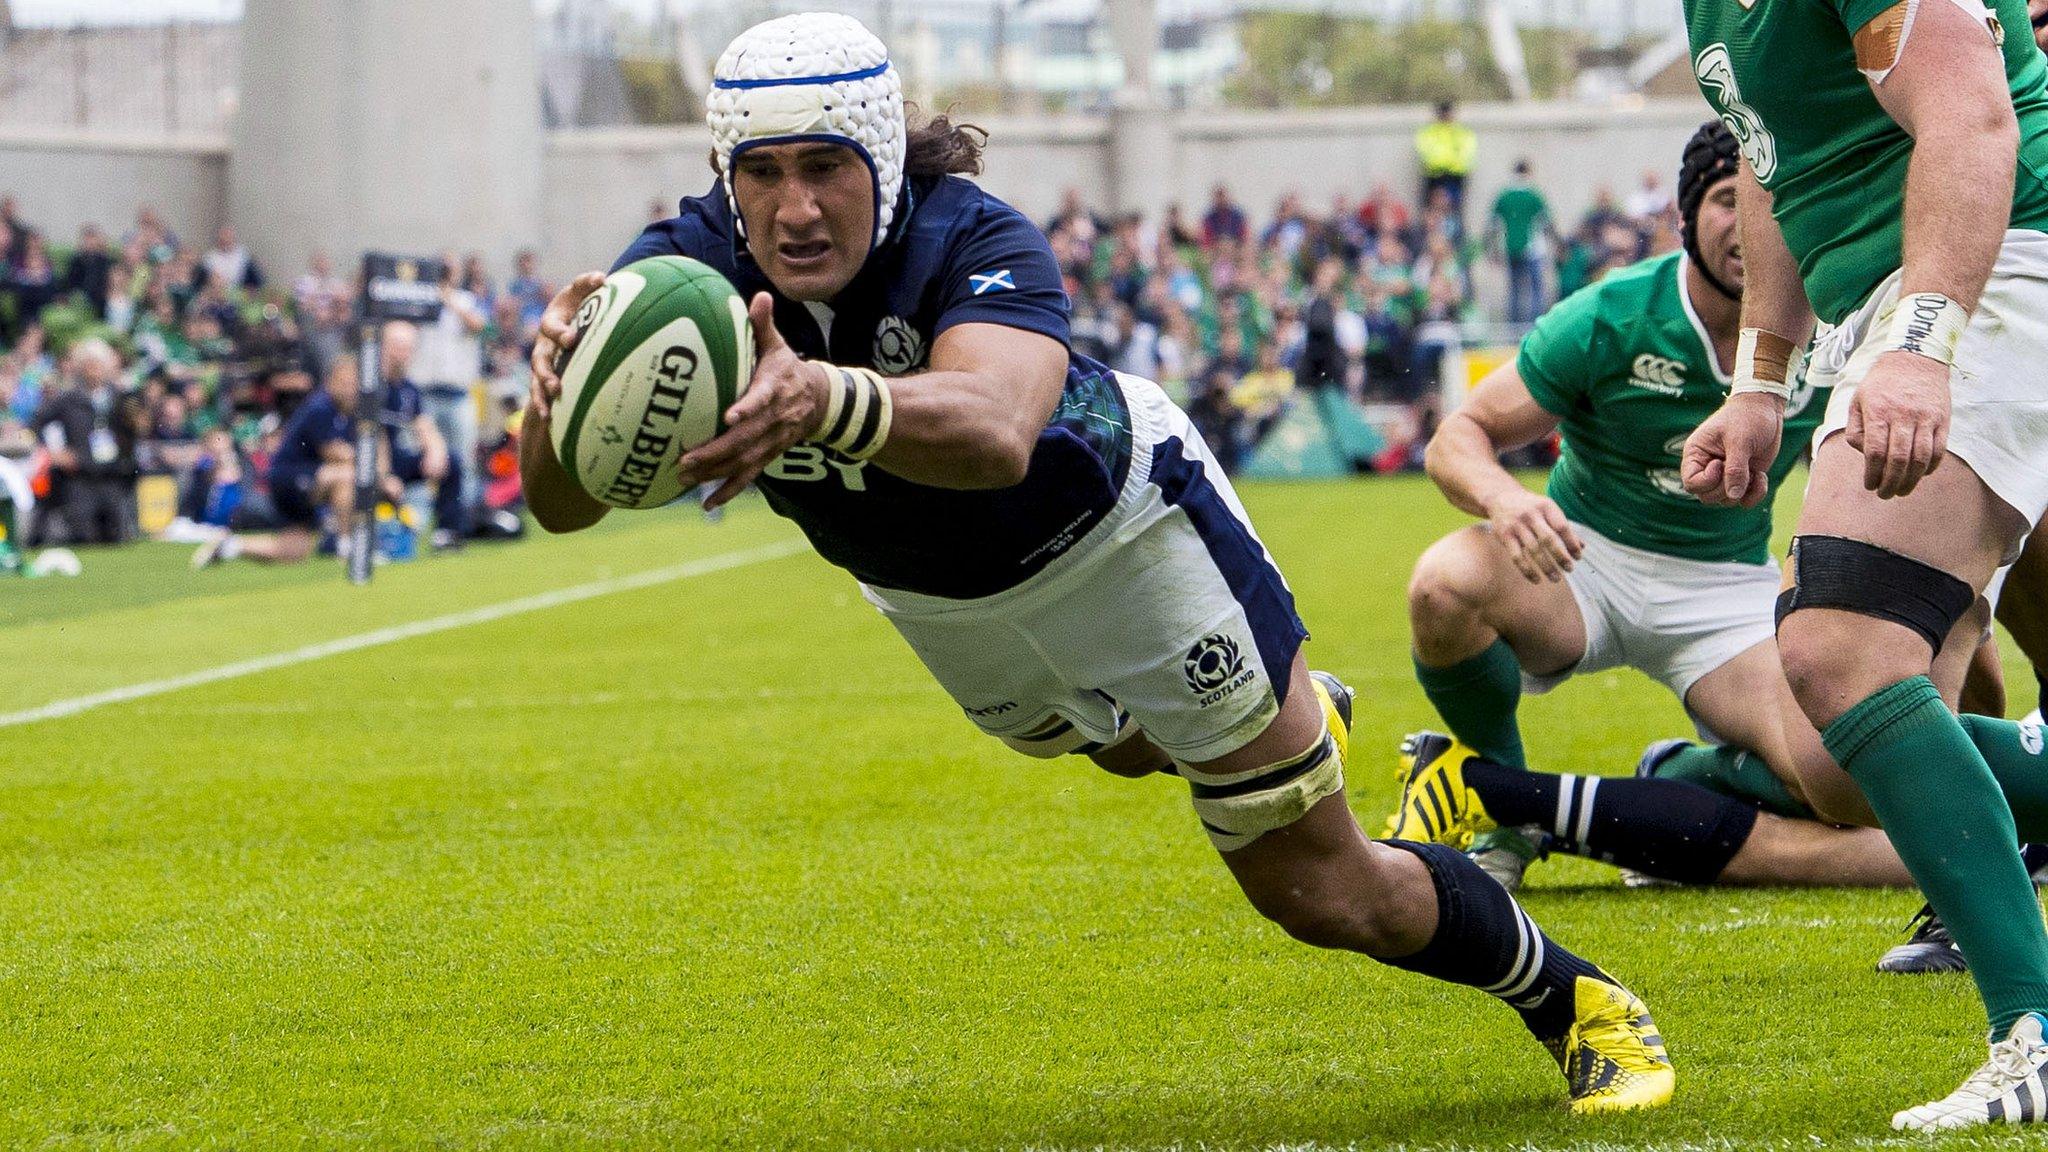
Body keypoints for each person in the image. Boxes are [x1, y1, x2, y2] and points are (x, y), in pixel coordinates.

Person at [522, 12, 1671, 1114]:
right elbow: (558, 503)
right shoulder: (683, 267)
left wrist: (822, 394)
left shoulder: (968, 235)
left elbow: (992, 432)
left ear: (880, 152)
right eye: (762, 172)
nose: (795, 206)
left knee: (1316, 890)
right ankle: (1277, 716)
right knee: (1123, 753)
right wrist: (558, 398)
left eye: (825, 164)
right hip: (937, 602)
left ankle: (1577, 1001)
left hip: (1122, 538)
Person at [1682, 0, 2048, 1128]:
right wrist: (1757, 382)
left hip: (1992, 271)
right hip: (1889, 301)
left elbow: (1971, 122)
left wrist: (1922, 343)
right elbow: (1770, 165)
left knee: (1841, 652)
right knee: (1838, 765)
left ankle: (2030, 1032)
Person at [1400, 120, 1927, 887]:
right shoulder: (1612, 313)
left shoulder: (1831, 325)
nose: (1752, 221)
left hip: (1723, 589)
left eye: (1769, 201)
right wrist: (1506, 501)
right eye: (1726, 201)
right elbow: (1457, 436)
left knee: (1840, 781)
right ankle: (1510, 818)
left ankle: (1685, 774)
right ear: (1684, 218)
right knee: (1442, 584)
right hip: (1582, 563)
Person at [192, 356, 373, 567]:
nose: (351, 389)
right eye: (346, 383)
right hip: (290, 476)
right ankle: (348, 548)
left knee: (297, 549)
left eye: (355, 384)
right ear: (331, 381)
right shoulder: (321, 407)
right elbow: (335, 453)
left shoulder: (347, 413)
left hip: (307, 480)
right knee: (348, 475)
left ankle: (230, 546)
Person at [31, 338, 137, 545]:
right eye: (88, 365)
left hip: (112, 475)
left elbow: (134, 433)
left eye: (97, 365)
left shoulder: (120, 398)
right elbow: (35, 424)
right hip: (80, 476)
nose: (93, 371)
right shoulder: (68, 399)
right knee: (84, 536)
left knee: (116, 537)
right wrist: (52, 453)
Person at [1489, 159, 1556, 327]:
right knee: (1535, 290)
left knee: (1514, 290)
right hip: (1532, 249)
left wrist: (1492, 249)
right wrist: (1558, 244)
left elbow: (1493, 225)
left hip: (1511, 248)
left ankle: (1513, 327)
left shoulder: (1504, 196)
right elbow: (1547, 222)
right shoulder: (1534, 196)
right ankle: (1534, 327)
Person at [1414, 100, 1477, 221]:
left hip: (1455, 176)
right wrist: (1445, 163)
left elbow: (1467, 154)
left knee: (1454, 209)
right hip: (1434, 176)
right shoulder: (1429, 132)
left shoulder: (1461, 132)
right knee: (1430, 209)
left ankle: (1456, 235)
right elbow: (1425, 153)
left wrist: (1447, 164)